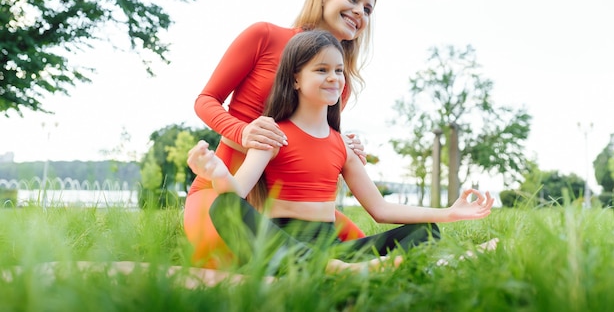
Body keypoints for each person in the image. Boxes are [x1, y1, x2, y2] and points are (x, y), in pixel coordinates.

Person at [187, 30, 494, 275]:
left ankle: (351, 269)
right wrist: (216, 173)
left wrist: (450, 213)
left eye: (338, 70)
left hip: (331, 250)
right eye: (321, 70)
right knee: (224, 206)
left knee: (425, 231)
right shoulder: (273, 133)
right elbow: (237, 192)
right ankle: (348, 271)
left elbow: (381, 209)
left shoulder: (342, 146)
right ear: (295, 78)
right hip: (281, 249)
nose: (334, 77)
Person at [185, 0, 378, 269]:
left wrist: (345, 150)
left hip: (286, 207)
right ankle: (329, 269)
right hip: (225, 194)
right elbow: (205, 100)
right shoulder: (264, 35)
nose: (359, 12)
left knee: (371, 251)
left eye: (367, 9)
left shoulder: (340, 84)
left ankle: (333, 270)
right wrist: (243, 132)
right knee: (230, 261)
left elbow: (311, 146)